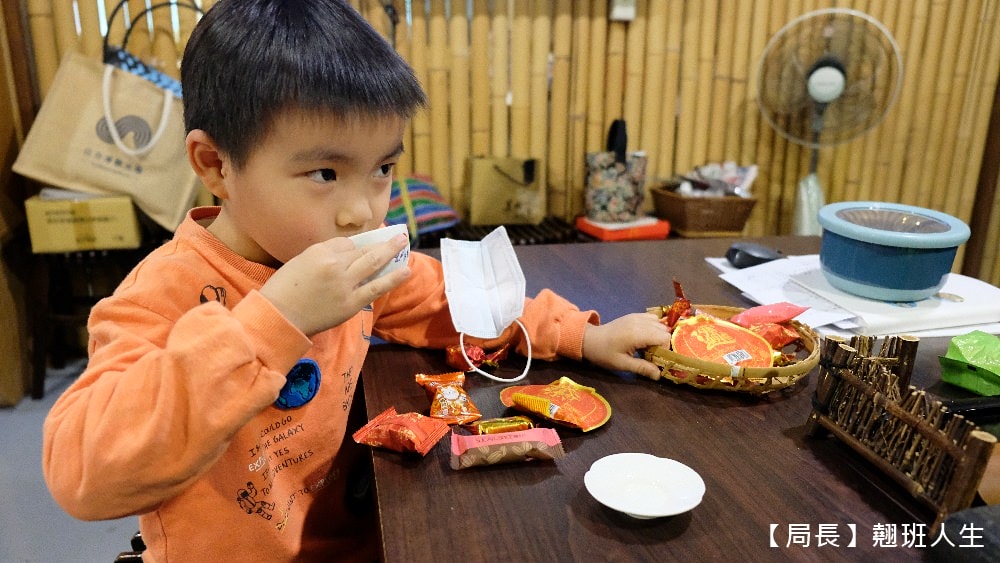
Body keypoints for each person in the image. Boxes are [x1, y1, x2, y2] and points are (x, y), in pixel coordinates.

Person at [41, 1, 671, 561]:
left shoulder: (350, 262)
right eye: (325, 173)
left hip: (368, 537)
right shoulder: (162, 294)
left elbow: (451, 298)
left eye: (382, 168)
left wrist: (581, 336)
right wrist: (275, 320)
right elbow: (82, 475)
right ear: (216, 164)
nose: (364, 211)